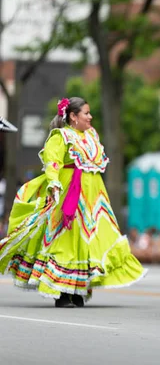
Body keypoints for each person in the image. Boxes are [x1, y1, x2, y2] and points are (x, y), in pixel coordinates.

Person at [0, 97, 146, 307]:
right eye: (86, 113)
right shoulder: (61, 136)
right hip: (69, 194)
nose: (90, 117)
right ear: (73, 117)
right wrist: (54, 184)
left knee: (92, 240)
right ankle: (62, 292)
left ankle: (78, 290)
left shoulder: (92, 135)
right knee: (67, 241)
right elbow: (53, 162)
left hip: (94, 197)